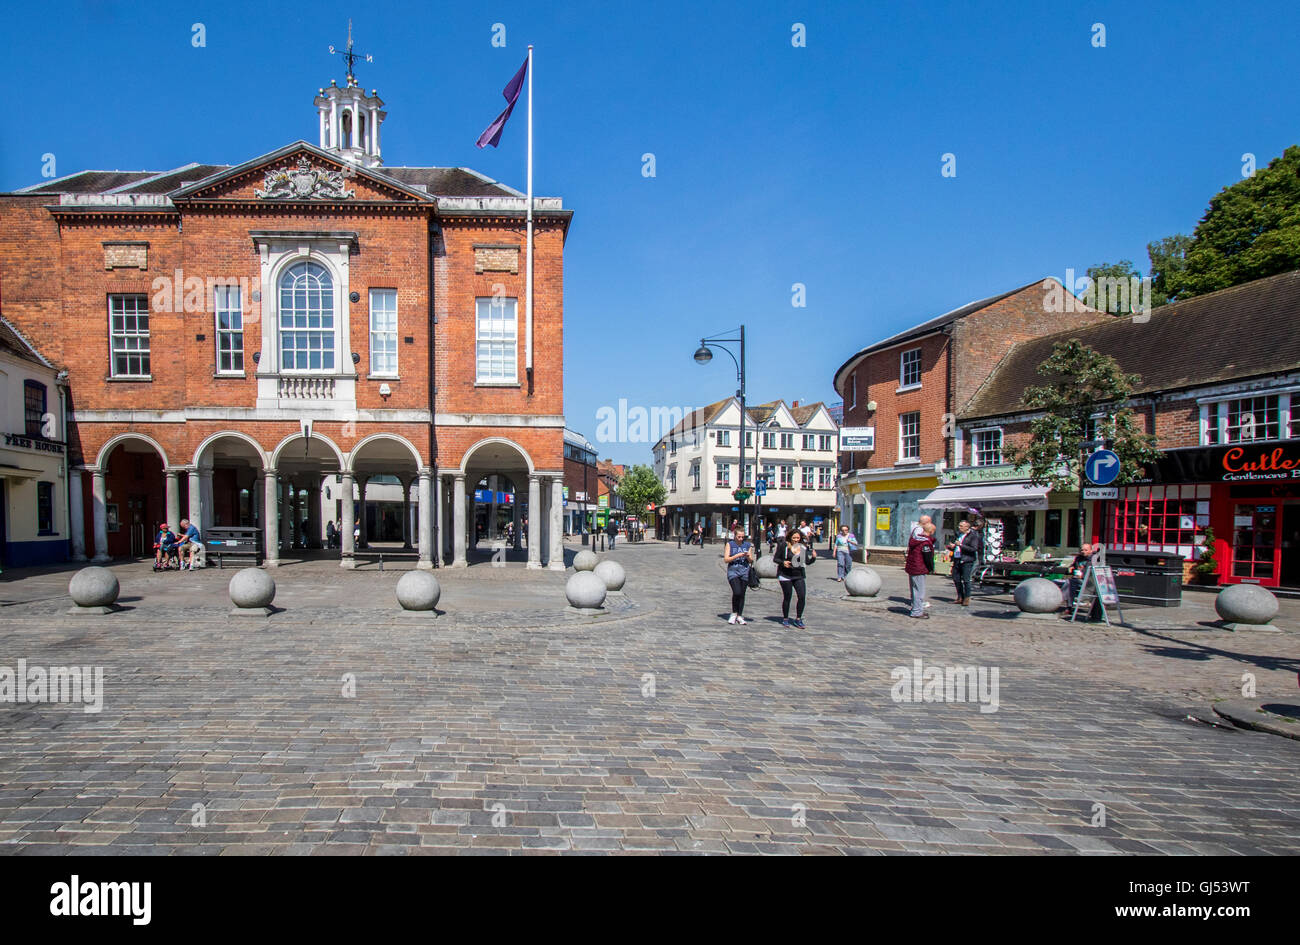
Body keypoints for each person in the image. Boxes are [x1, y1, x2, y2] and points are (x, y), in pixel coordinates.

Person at [774, 526, 816, 629]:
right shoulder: (783, 545)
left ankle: (798, 618)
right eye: (794, 538)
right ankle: (785, 618)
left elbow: (806, 562)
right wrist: (783, 562)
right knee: (787, 597)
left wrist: (813, 558)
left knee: (802, 596)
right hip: (785, 575)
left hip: (799, 575)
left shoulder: (802, 547)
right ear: (790, 537)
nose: (796, 540)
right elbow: (776, 559)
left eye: (798, 538)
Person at [723, 526, 756, 625]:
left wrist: (747, 557)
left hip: (744, 571)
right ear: (735, 536)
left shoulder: (747, 545)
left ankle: (740, 615)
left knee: (742, 594)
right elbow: (726, 559)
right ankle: (734, 613)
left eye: (742, 537)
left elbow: (751, 560)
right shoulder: (730, 544)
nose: (741, 539)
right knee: (737, 592)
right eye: (739, 537)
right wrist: (738, 555)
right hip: (733, 572)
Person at [946, 519, 982, 606]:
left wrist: (961, 545)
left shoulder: (973, 536)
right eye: (959, 526)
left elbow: (973, 548)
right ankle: (960, 597)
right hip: (957, 558)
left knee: (966, 580)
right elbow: (954, 545)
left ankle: (966, 598)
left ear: (967, 527)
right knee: (956, 578)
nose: (959, 527)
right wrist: (952, 547)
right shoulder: (958, 534)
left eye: (961, 526)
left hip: (967, 560)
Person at [905, 522, 935, 618]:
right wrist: (931, 568)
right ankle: (917, 611)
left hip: (912, 567)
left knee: (914, 590)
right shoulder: (925, 542)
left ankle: (915, 608)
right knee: (919, 591)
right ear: (931, 531)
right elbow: (928, 557)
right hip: (919, 568)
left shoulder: (916, 539)